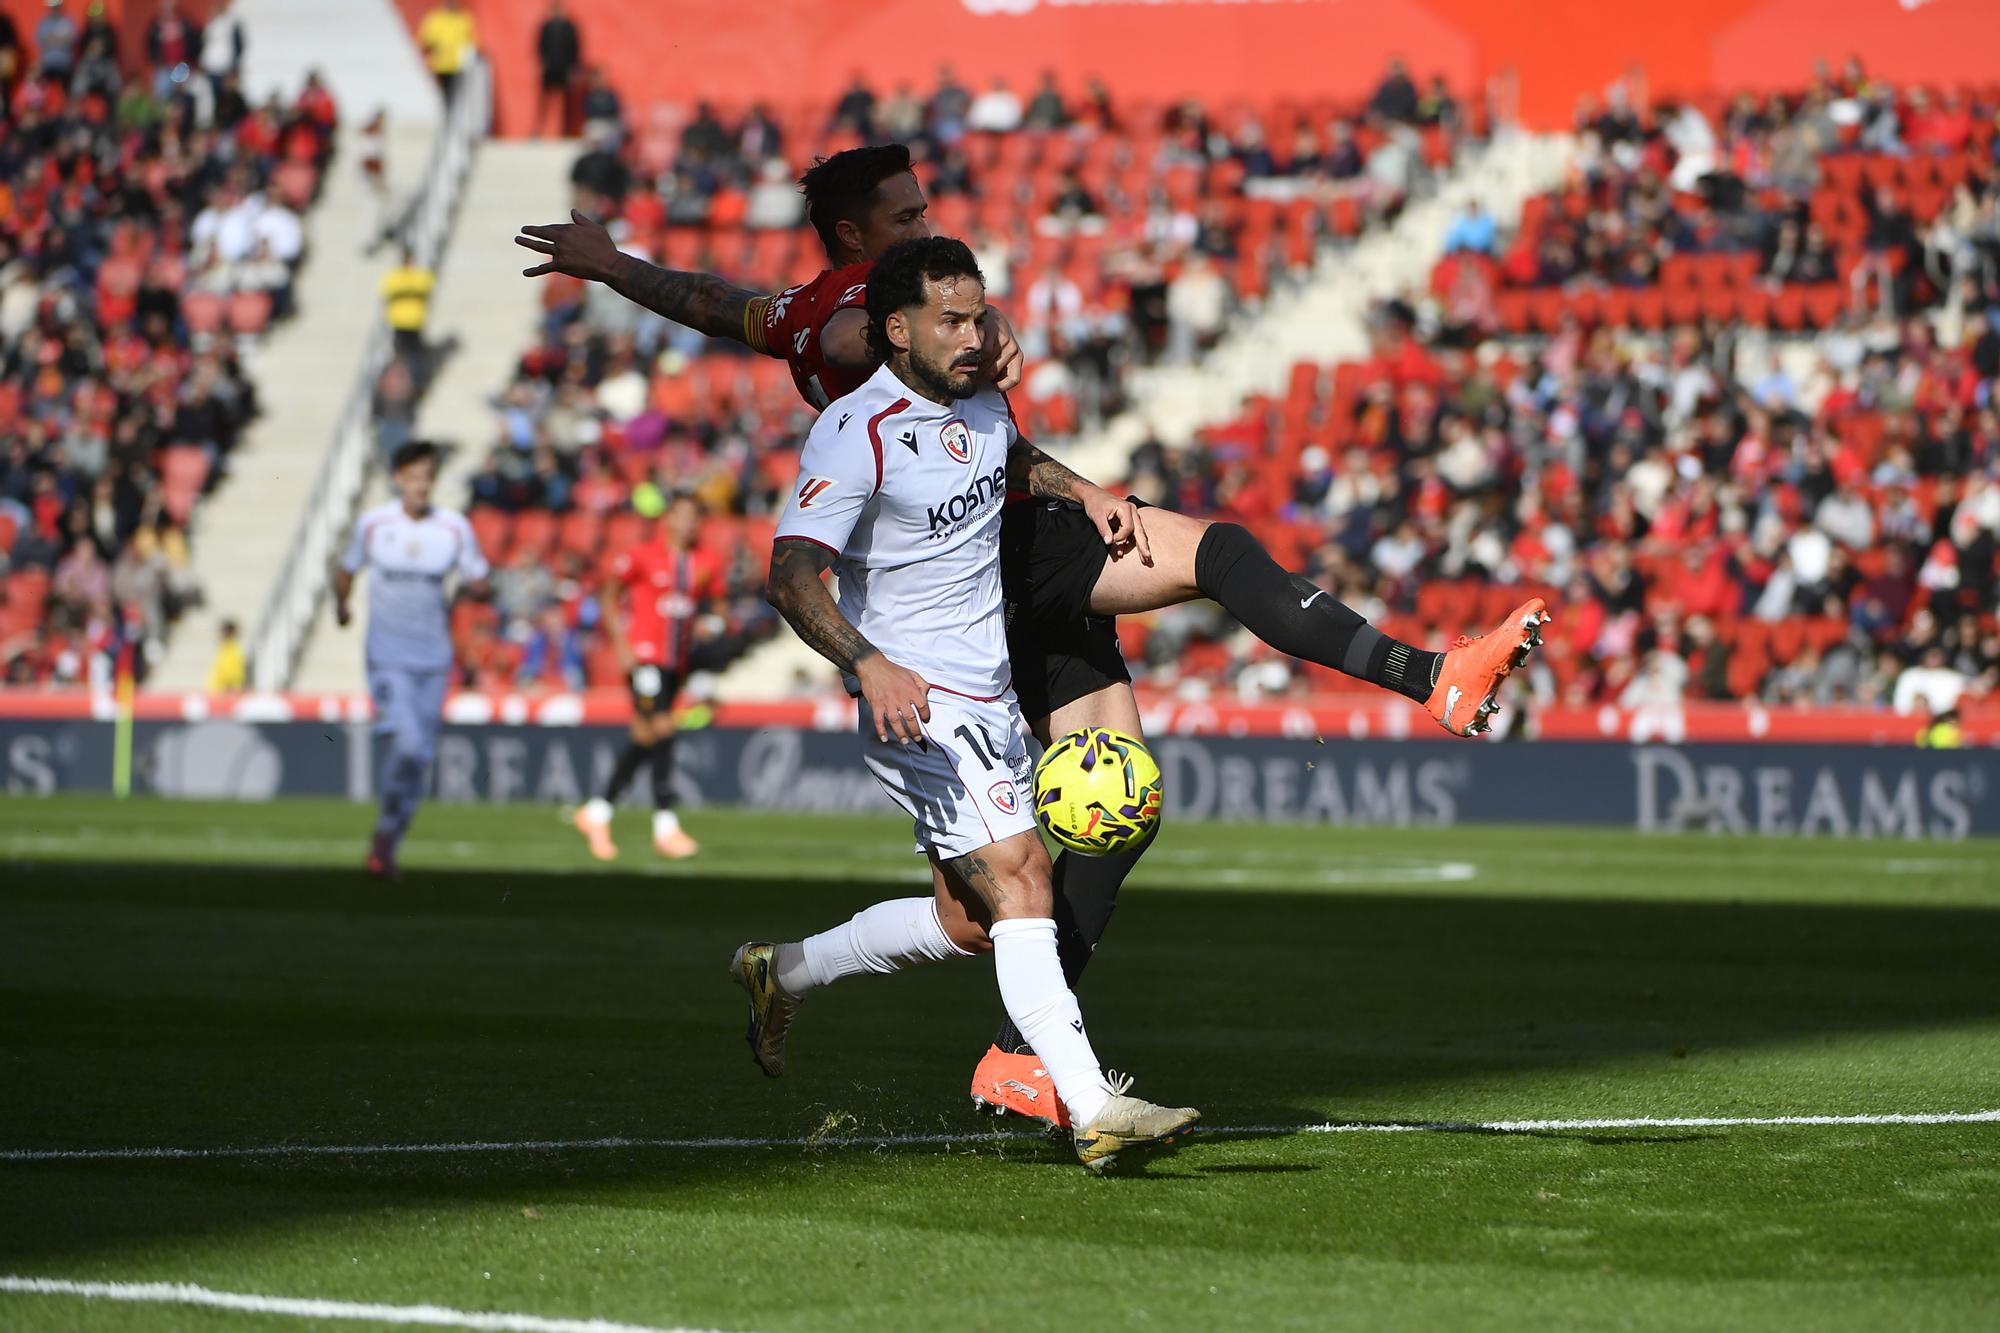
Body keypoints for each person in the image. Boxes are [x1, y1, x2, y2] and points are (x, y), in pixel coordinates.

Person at [516, 145, 1547, 1126]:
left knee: (1021, 883)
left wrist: (613, 267)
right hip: (981, 576)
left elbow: (715, 304)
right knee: (1212, 561)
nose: (929, 223)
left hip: (1017, 540)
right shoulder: (860, 328)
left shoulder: (814, 311)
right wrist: (977, 330)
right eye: (905, 215)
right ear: (854, 239)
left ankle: (823, 986)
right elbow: (848, 363)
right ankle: (1426, 677)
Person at [747, 236, 1199, 1172]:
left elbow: (1010, 457)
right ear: (895, 328)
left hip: (988, 690)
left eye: (978, 313)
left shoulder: (979, 400)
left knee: (969, 921)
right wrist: (869, 664)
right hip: (912, 699)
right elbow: (790, 576)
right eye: (950, 320)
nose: (972, 333)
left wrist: (1085, 490)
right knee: (1025, 870)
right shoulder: (855, 430)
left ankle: (782, 970)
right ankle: (1089, 1104)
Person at [333, 441, 491, 881]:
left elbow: (479, 577)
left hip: (434, 658)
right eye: (414, 476)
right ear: (398, 478)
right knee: (406, 744)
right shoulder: (374, 524)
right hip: (387, 655)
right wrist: (341, 606)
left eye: (428, 476)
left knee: (420, 755)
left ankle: (387, 840)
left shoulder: (453, 528)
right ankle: (385, 840)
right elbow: (346, 570)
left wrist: (482, 591)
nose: (421, 485)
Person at [573, 490, 717, 861]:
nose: (688, 523)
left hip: (676, 662)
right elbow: (608, 595)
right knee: (663, 728)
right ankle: (665, 825)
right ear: (668, 517)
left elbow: (715, 604)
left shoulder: (704, 561)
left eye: (694, 517)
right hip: (644, 657)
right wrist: (621, 645)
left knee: (644, 733)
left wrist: (709, 623)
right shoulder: (642, 555)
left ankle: (597, 811)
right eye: (682, 515)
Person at [380, 245, 436, 368]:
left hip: (414, 321)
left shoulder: (418, 276)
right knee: (400, 354)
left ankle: (415, 381)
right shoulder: (396, 277)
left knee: (414, 355)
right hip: (400, 321)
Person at [416, 0, 477, 108]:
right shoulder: (435, 18)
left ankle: (455, 120)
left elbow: (473, 40)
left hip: (460, 66)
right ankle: (447, 118)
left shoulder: (464, 18)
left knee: (459, 98)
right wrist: (436, 46)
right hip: (441, 65)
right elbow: (426, 39)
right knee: (446, 97)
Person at [534, 0, 580, 138]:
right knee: (544, 101)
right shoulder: (547, 26)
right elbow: (540, 45)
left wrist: (573, 68)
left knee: (566, 102)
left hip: (564, 69)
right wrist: (543, 63)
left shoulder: (569, 27)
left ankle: (565, 131)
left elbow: (574, 48)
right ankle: (538, 129)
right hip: (550, 69)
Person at [207, 617, 245, 693]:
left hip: (223, 696)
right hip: (218, 695)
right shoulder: (224, 650)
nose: (221, 634)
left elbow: (232, 679)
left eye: (224, 631)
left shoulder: (233, 652)